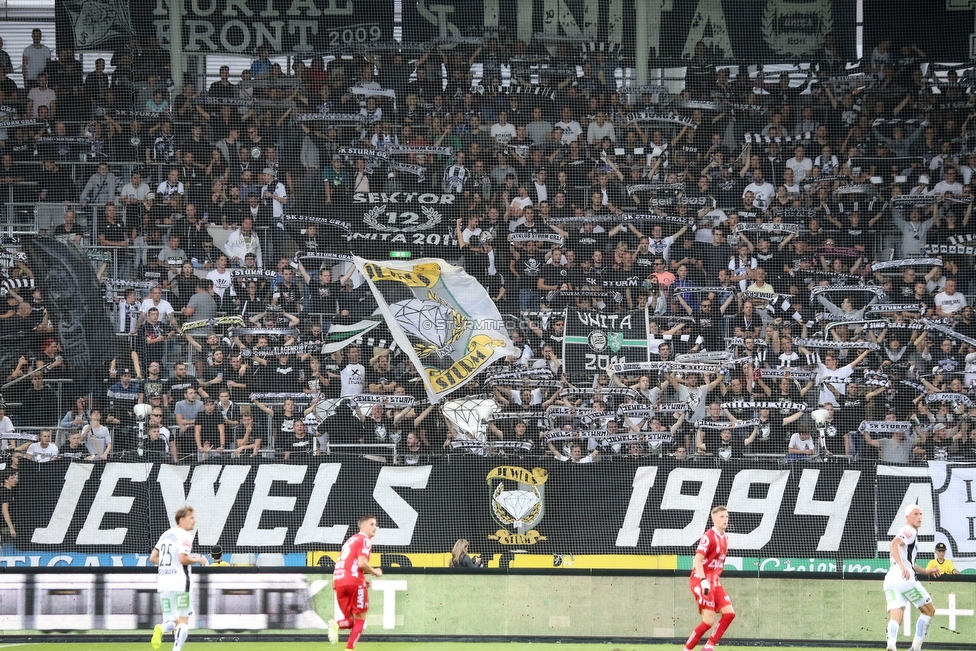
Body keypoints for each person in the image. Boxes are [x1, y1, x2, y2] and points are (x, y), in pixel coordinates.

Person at [150, 506, 208, 651]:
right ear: (182, 520)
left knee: (170, 620)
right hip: (180, 583)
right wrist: (198, 559)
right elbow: (182, 558)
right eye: (191, 518)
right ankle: (176, 649)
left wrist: (169, 566)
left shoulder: (165, 535)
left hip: (164, 583)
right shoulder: (185, 536)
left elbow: (153, 558)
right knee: (183, 620)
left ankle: (161, 628)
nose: (194, 521)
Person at [884, 504, 940, 651]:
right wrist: (903, 567)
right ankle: (915, 648)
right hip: (904, 579)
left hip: (891, 580)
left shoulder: (908, 533)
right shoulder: (909, 531)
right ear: (907, 517)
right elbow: (894, 544)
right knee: (929, 611)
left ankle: (891, 644)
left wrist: (927, 571)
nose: (919, 517)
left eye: (921, 514)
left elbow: (910, 563)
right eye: (915, 514)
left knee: (896, 618)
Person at [684, 505, 735, 651]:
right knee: (708, 621)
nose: (725, 519)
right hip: (701, 580)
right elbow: (697, 560)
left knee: (729, 613)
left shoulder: (725, 538)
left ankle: (708, 646)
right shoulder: (708, 536)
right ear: (714, 519)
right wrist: (703, 580)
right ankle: (687, 649)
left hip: (714, 581)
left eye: (726, 516)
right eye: (721, 516)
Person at [329, 514, 383, 649]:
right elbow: (361, 563)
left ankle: (336, 624)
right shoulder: (365, 540)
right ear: (363, 526)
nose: (375, 527)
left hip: (338, 581)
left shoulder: (350, 540)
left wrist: (362, 579)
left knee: (351, 621)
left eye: (375, 524)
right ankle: (349, 648)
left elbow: (349, 563)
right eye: (372, 524)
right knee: (360, 619)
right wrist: (375, 572)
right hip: (353, 581)